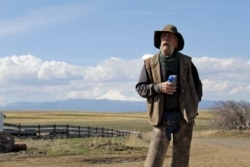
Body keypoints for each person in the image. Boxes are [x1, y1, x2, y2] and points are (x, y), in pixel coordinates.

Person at [135, 24, 202, 167]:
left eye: (170, 36)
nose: (166, 39)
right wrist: (159, 87)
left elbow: (198, 86)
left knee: (181, 162)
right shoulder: (149, 64)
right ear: (159, 41)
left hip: (183, 119)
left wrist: (193, 105)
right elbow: (140, 88)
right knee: (152, 163)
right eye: (163, 36)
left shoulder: (187, 63)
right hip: (161, 119)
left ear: (176, 43)